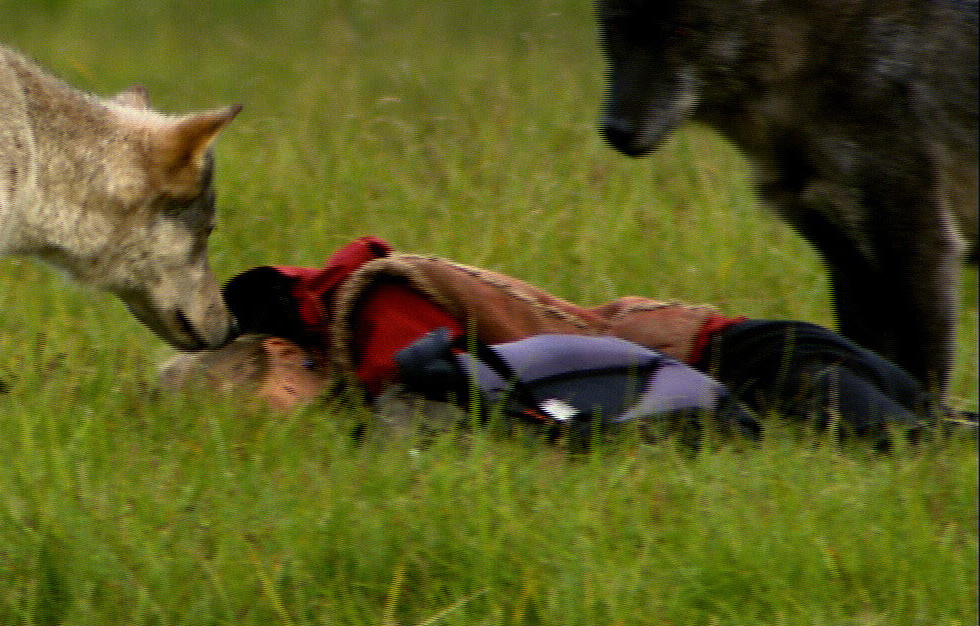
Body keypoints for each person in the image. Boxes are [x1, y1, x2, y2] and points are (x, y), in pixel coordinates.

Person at [158, 236, 941, 440]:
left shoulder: (375, 311)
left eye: (278, 401)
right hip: (706, 384)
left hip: (737, 356)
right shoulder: (361, 337)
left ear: (282, 352)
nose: (297, 416)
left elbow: (456, 393)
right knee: (925, 438)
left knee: (908, 448)